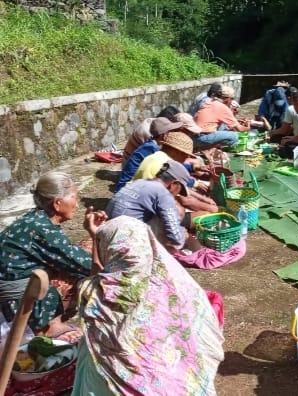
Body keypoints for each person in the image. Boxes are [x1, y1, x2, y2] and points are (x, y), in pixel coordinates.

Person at [72, 216, 224, 395]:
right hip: (175, 380)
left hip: (108, 384)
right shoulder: (171, 281)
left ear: (109, 250)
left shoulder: (97, 295)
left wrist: (96, 236)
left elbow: (98, 275)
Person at [0, 171, 107, 341]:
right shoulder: (42, 229)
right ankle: (47, 326)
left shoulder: (35, 218)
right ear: (57, 203)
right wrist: (95, 234)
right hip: (17, 299)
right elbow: (88, 266)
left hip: (15, 284)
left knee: (86, 247)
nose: (77, 205)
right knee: (91, 273)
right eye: (74, 198)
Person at [105, 161, 191, 251]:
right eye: (179, 191)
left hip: (106, 235)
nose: (177, 195)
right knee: (177, 211)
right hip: (124, 244)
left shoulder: (139, 182)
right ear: (174, 184)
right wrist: (182, 236)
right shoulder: (163, 193)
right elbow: (176, 238)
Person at [132, 132, 217, 212]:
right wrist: (215, 209)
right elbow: (185, 201)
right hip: (145, 210)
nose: (186, 158)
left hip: (137, 201)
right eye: (185, 154)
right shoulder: (167, 167)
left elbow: (180, 188)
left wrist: (204, 199)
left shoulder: (155, 156)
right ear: (176, 151)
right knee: (181, 210)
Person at [116, 117, 184, 192]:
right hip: (126, 187)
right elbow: (170, 166)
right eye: (170, 132)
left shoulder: (150, 143)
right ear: (164, 135)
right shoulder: (152, 148)